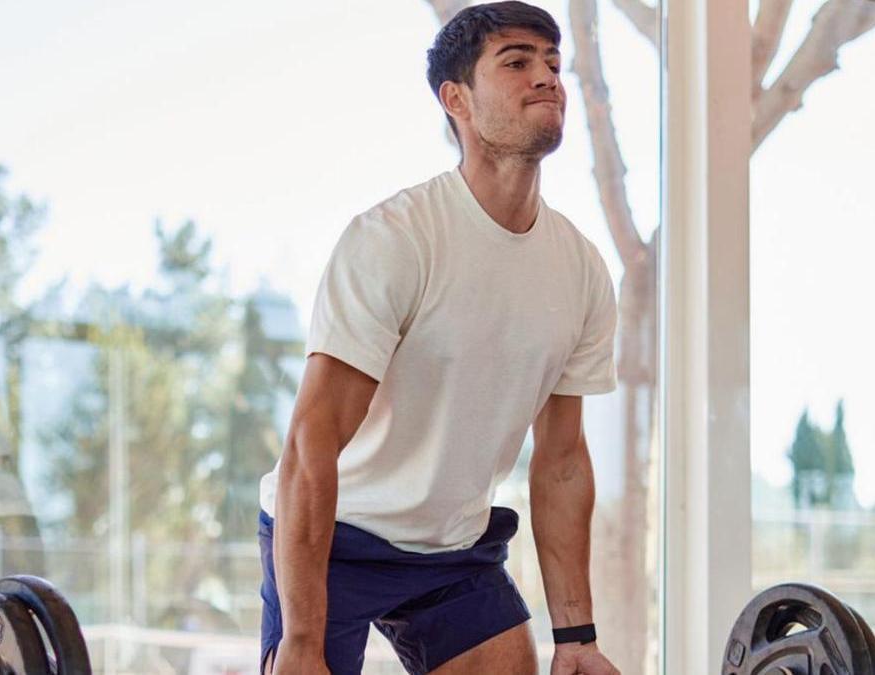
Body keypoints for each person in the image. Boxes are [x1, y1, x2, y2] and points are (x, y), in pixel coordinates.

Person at [257, 2, 620, 673]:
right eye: (516, 62)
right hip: (333, 533)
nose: (545, 77)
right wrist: (303, 642)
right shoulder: (395, 240)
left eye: (552, 62)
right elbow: (312, 442)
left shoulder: (582, 270)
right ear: (457, 99)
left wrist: (578, 637)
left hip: (452, 548)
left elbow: (563, 459)